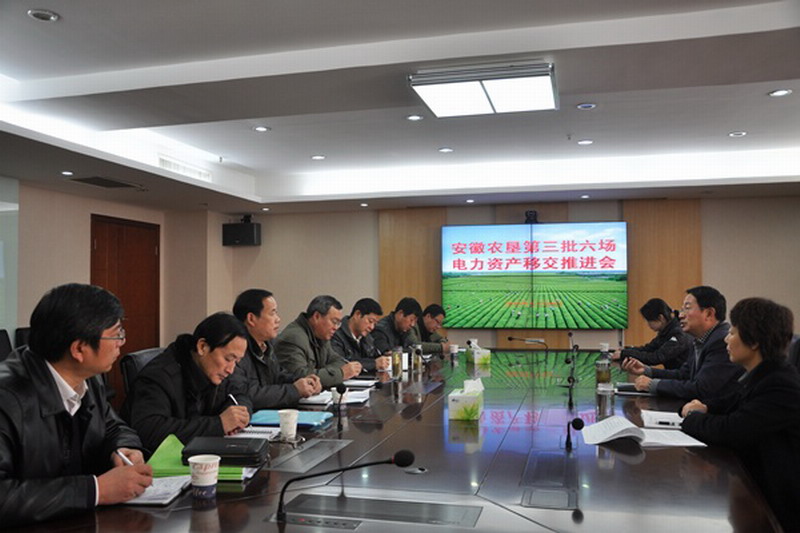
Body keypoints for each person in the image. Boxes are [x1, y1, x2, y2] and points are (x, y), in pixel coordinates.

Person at [0, 283, 152, 526]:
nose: (121, 342)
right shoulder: (7, 398)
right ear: (79, 349)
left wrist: (122, 448)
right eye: (116, 334)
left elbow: (113, 426)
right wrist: (96, 490)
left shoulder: (87, 377)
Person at [680, 298, 800, 532]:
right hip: (758, 491)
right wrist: (704, 407)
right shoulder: (762, 375)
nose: (726, 339)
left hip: (779, 509)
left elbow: (730, 430)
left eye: (732, 332)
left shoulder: (780, 384)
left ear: (753, 341)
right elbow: (728, 403)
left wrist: (692, 417)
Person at [121, 312, 252, 453]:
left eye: (236, 362)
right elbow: (149, 431)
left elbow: (240, 394)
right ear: (202, 347)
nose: (231, 369)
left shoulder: (213, 370)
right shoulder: (159, 376)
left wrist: (237, 416)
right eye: (228, 359)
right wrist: (218, 424)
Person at [622, 286, 742, 399]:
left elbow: (702, 388)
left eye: (687, 308)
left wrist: (652, 385)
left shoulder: (721, 341)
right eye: (682, 309)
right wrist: (646, 370)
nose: (680, 315)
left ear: (709, 313)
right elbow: (683, 375)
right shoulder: (700, 339)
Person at [232, 289, 321, 409]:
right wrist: (294, 390)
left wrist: (305, 382)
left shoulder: (267, 345)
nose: (278, 319)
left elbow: (278, 377)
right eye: (272, 313)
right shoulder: (235, 351)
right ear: (251, 319)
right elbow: (246, 395)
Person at [275, 295, 361, 388]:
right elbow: (301, 377)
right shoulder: (293, 338)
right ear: (317, 316)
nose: (336, 328)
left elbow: (339, 361)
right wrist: (340, 373)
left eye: (338, 323)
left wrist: (323, 373)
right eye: (334, 322)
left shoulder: (321, 335)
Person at [611, 298, 691, 369]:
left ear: (660, 318)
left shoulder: (678, 333)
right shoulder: (666, 330)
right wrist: (625, 350)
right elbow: (649, 349)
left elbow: (655, 358)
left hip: (680, 378)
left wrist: (624, 353)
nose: (648, 325)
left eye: (649, 321)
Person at [331, 298, 388, 372]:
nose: (372, 327)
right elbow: (341, 363)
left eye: (375, 324)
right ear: (357, 314)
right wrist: (373, 364)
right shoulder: (335, 334)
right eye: (370, 321)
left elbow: (375, 357)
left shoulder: (367, 338)